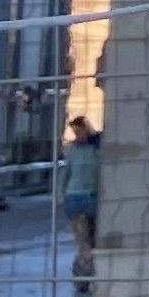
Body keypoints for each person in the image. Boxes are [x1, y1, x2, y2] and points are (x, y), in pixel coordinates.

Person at [57, 114, 101, 283]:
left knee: (92, 239)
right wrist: (62, 197)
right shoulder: (72, 150)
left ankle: (84, 268)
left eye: (80, 131)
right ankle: (84, 273)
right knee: (82, 240)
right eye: (74, 132)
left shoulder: (95, 149)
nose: (77, 135)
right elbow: (65, 174)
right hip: (74, 198)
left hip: (92, 198)